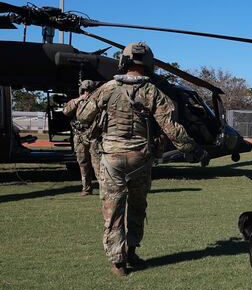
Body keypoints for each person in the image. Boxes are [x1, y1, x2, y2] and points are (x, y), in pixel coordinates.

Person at [77, 42, 202, 276]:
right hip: (140, 158)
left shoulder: (107, 88)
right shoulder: (152, 92)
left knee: (113, 211)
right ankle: (132, 252)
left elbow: (83, 116)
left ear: (123, 62)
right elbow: (172, 128)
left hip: (111, 158)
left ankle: (118, 262)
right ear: (149, 64)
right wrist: (193, 149)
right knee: (136, 207)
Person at [63, 80, 102, 195]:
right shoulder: (76, 101)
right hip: (79, 136)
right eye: (84, 90)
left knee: (97, 163)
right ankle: (86, 188)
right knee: (82, 163)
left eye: (89, 90)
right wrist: (79, 99)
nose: (86, 92)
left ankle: (104, 189)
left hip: (93, 136)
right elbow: (66, 111)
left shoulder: (97, 101)